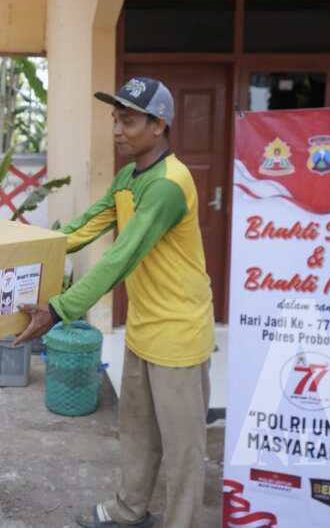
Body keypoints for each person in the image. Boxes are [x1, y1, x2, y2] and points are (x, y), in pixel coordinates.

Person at [15, 77, 215, 528]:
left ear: (159, 125)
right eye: (115, 119)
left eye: (128, 120)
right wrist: (26, 247)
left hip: (180, 333)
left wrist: (59, 308)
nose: (118, 129)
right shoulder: (129, 177)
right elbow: (87, 226)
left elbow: (120, 258)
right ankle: (130, 510)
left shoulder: (168, 184)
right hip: (144, 328)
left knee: (183, 448)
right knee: (138, 432)